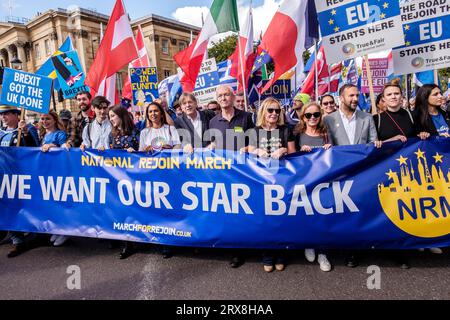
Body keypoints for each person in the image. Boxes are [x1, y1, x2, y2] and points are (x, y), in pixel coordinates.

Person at [324, 84, 382, 268]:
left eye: (357, 95)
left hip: (361, 173)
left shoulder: (367, 118)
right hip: (339, 173)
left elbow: (373, 142)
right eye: (351, 96)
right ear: (341, 98)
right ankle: (340, 244)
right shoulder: (328, 120)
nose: (355, 99)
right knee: (342, 211)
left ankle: (354, 251)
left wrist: (377, 144)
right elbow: (327, 146)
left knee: (359, 210)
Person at [244, 97, 296, 272]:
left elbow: (294, 154)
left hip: (282, 180)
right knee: (263, 218)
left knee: (281, 217)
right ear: (263, 112)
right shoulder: (254, 131)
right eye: (270, 110)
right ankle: (266, 255)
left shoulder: (286, 130)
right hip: (260, 180)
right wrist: (256, 150)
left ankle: (281, 254)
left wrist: (284, 150)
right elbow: (249, 150)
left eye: (277, 111)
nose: (274, 114)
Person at [209, 85, 255, 268]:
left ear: (233, 97)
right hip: (222, 174)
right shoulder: (213, 122)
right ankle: (233, 248)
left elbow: (254, 140)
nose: (223, 98)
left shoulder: (246, 117)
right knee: (228, 210)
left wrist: (247, 148)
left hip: (244, 172)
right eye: (220, 95)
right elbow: (210, 145)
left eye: (226, 94)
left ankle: (245, 246)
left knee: (244, 210)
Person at [293, 102, 332, 272]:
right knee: (306, 213)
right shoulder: (297, 133)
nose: (313, 118)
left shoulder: (326, 133)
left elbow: (337, 155)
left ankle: (323, 252)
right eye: (308, 115)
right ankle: (308, 244)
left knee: (322, 215)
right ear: (303, 117)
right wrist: (301, 150)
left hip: (323, 179)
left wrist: (330, 148)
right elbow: (291, 155)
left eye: (316, 114)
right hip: (303, 180)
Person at [139, 101, 180, 258]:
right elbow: (140, 153)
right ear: (147, 115)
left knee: (170, 207)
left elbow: (179, 147)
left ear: (161, 113)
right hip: (152, 175)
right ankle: (161, 241)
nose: (153, 114)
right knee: (156, 208)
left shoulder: (170, 129)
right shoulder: (144, 133)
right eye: (150, 112)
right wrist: (146, 150)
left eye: (156, 111)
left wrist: (170, 149)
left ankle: (171, 240)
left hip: (169, 174)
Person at [0, 105, 38, 257]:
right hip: (3, 176)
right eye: (1, 114)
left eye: (6, 114)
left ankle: (22, 239)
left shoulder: (26, 129)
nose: (3, 117)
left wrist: (26, 133)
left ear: (16, 115)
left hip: (21, 176)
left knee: (20, 206)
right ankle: (14, 237)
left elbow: (34, 148)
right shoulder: (1, 133)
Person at [108, 105, 140, 259]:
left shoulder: (134, 131)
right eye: (110, 116)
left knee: (134, 209)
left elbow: (143, 151)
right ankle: (126, 243)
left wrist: (135, 152)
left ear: (121, 115)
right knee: (121, 210)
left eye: (113, 116)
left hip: (133, 177)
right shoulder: (112, 134)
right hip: (117, 177)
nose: (111, 119)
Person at [39, 111, 69, 246]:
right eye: (43, 119)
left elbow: (64, 150)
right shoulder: (43, 134)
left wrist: (53, 146)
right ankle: (56, 228)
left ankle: (65, 230)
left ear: (54, 120)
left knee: (60, 200)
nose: (45, 121)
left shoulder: (60, 134)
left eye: (48, 119)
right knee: (51, 201)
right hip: (46, 172)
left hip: (59, 172)